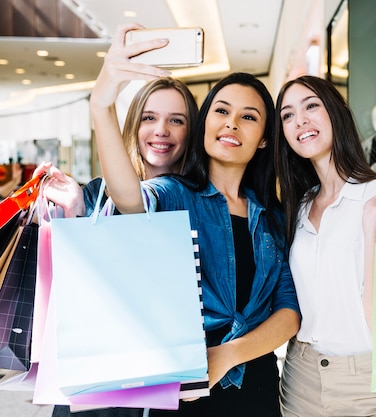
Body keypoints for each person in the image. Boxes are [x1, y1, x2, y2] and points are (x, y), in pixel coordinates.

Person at [88, 23, 300, 417]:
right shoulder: (174, 193)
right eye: (221, 111)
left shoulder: (273, 215)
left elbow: (288, 313)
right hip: (187, 390)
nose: (231, 123)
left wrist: (226, 355)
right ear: (205, 124)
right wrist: (102, 104)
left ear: (266, 138)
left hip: (256, 387)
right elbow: (130, 201)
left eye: (248, 117)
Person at [34, 47, 199, 417]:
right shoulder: (97, 193)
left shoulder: (197, 201)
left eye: (177, 120)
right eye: (149, 117)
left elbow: (139, 207)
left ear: (192, 132)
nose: (161, 130)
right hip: (94, 372)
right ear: (133, 126)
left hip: (160, 376)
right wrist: (74, 210)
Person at [274, 75, 376, 417]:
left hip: (367, 379)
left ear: (336, 113)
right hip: (299, 376)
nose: (300, 120)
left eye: (311, 106)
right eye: (287, 115)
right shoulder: (300, 205)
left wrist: (369, 225)